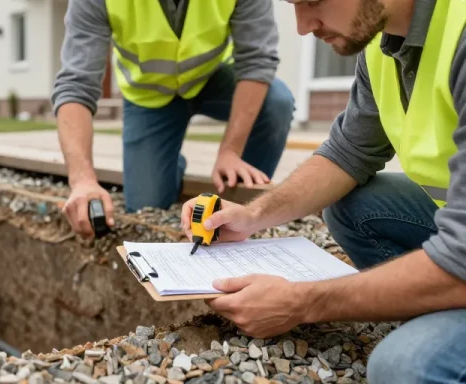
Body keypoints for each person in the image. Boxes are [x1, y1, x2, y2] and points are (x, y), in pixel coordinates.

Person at [180, 0, 466, 381]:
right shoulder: (385, 43)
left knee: (404, 366)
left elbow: (460, 258)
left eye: (312, 1)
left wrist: (304, 302)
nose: (302, 26)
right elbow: (347, 153)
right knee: (355, 205)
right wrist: (253, 216)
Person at [51, 0, 296, 239]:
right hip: (149, 94)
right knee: (147, 209)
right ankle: (169, 163)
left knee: (276, 103)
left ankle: (246, 206)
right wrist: (82, 179)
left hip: (211, 77)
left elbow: (257, 61)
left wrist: (231, 150)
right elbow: (76, 84)